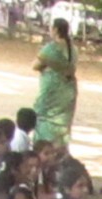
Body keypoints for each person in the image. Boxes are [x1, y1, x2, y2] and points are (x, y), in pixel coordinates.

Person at [33, 18, 78, 146]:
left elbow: (35, 65)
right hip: (67, 93)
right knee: (62, 125)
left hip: (51, 91)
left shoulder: (50, 49)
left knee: (45, 123)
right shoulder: (73, 49)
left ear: (56, 30)